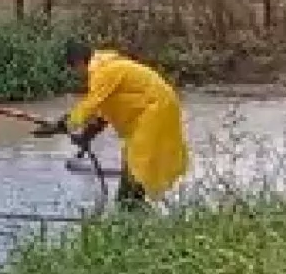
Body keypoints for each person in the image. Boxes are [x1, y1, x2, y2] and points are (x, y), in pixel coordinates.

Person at [35, 40, 190, 209]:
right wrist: (87, 135)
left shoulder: (104, 72)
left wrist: (59, 126)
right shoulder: (106, 68)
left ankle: (130, 210)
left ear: (79, 62)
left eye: (73, 69)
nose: (76, 75)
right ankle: (133, 211)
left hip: (154, 113)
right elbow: (103, 111)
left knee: (136, 172)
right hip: (150, 115)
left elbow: (89, 106)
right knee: (133, 169)